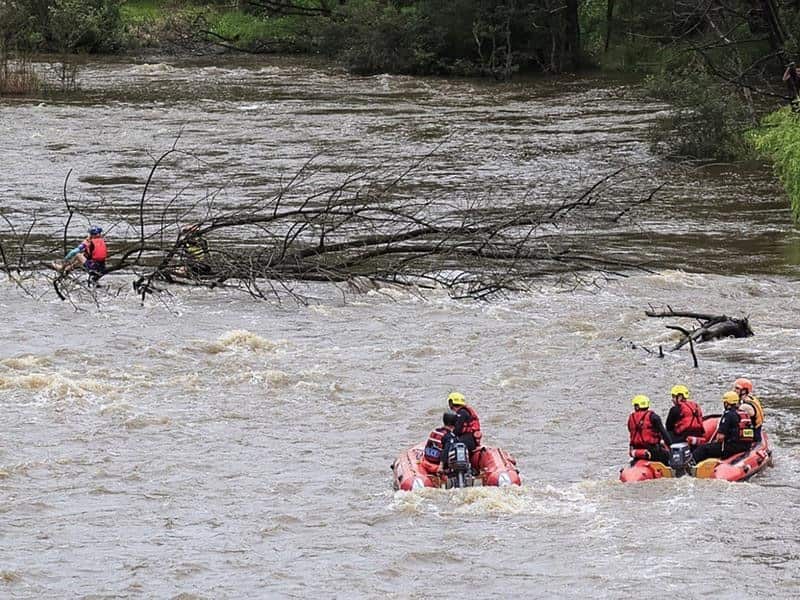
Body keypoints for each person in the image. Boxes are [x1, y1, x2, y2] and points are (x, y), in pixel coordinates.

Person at [692, 391, 754, 463]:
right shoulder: (744, 413)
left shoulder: (728, 415)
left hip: (732, 447)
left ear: (726, 403)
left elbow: (720, 437)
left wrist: (714, 443)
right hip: (745, 446)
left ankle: (689, 465)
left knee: (703, 449)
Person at [627, 394, 671, 464]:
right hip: (653, 451)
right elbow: (664, 433)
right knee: (668, 456)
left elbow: (631, 431)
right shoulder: (654, 417)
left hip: (636, 450)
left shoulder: (631, 418)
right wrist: (670, 445)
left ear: (637, 407)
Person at [733, 377, 764, 444]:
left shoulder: (745, 407)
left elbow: (732, 418)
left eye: (737, 388)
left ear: (744, 391)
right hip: (757, 430)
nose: (734, 390)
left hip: (754, 435)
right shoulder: (751, 398)